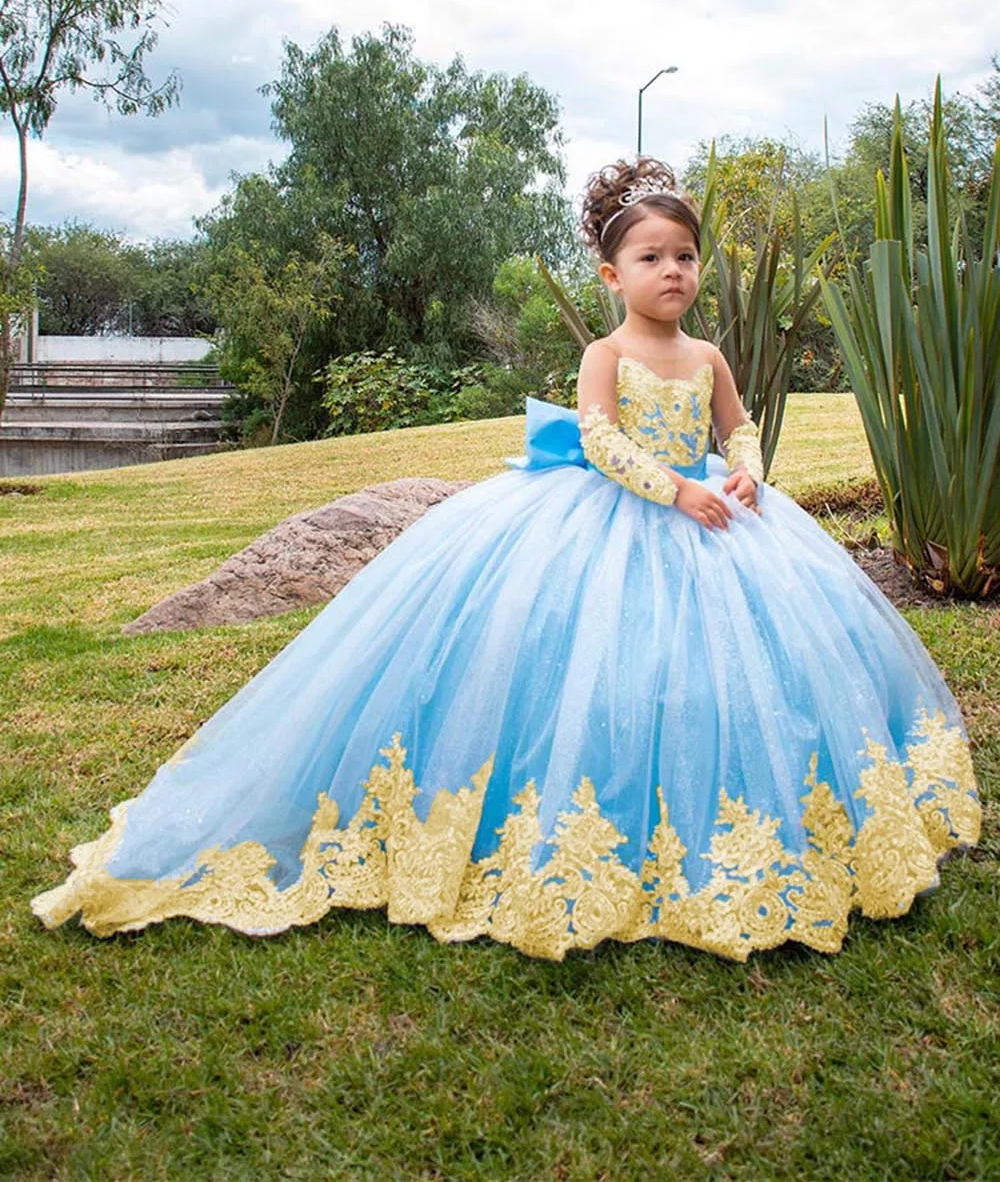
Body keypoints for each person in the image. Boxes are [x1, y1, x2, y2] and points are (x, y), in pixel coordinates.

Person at [32, 157, 981, 963]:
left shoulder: (711, 355)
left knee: (725, 671)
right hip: (618, 514)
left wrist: (741, 473)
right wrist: (675, 487)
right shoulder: (608, 353)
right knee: (579, 663)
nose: (673, 272)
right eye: (651, 257)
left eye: (685, 256)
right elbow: (603, 443)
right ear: (611, 274)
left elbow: (741, 431)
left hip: (720, 522)